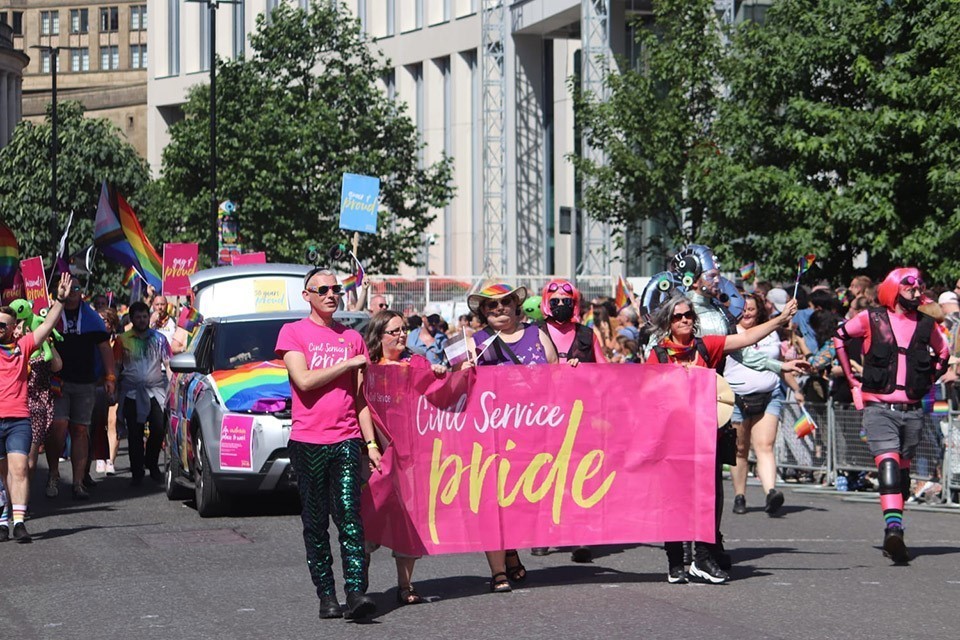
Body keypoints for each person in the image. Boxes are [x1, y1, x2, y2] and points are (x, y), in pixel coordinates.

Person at [648, 293, 798, 584]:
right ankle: (676, 562)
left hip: (707, 437)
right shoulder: (657, 355)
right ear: (668, 322)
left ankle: (702, 558)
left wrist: (779, 320)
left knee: (708, 497)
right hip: (672, 440)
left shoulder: (706, 347)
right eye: (678, 316)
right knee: (673, 500)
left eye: (689, 315)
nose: (685, 320)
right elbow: (643, 394)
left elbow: (746, 340)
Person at [275, 268, 380, 620]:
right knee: (316, 521)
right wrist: (347, 362)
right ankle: (327, 595)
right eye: (323, 289)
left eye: (336, 288)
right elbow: (303, 381)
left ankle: (355, 593)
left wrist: (371, 444)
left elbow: (361, 399)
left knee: (350, 514)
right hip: (308, 442)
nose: (331, 294)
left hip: (347, 439)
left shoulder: (353, 337)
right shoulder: (293, 333)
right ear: (307, 296)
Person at [834, 268, 949, 563]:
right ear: (894, 289)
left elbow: (944, 353)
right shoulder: (872, 318)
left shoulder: (927, 325)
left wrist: (927, 380)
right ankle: (893, 529)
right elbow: (839, 336)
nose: (915, 291)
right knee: (887, 463)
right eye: (909, 286)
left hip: (911, 411)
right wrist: (852, 380)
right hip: (879, 408)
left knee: (902, 475)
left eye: (918, 287)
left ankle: (895, 522)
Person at [457, 283, 558, 592]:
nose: (498, 309)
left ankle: (510, 547)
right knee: (493, 501)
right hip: (492, 436)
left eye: (504, 302)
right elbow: (459, 381)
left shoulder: (537, 334)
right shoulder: (476, 341)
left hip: (534, 433)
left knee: (521, 501)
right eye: (491, 305)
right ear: (483, 312)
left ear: (516, 306)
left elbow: (557, 375)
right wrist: (463, 369)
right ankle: (498, 570)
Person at [362, 310, 444, 605]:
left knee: (409, 522)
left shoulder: (418, 362)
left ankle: (405, 586)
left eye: (403, 330)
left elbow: (437, 396)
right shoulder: (368, 367)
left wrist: (439, 376)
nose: (400, 335)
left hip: (412, 454)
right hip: (376, 454)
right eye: (393, 331)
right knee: (369, 517)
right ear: (378, 336)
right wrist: (371, 445)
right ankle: (359, 583)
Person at [532, 278, 605, 560]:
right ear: (546, 303)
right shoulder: (533, 333)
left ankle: (580, 537)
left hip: (580, 417)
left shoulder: (588, 335)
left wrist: (583, 371)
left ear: (574, 303)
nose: (560, 305)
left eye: (566, 301)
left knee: (579, 475)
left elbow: (606, 372)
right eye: (555, 301)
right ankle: (542, 533)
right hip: (543, 416)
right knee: (543, 474)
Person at [0, 273, 70, 542]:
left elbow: (47, 325)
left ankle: (19, 522)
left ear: (14, 327)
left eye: (4, 325)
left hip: (18, 419)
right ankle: (3, 520)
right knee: (3, 474)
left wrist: (60, 300)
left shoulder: (23, 347)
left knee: (20, 469)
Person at [727, 293, 806, 516]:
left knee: (765, 445)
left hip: (769, 395)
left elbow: (778, 365)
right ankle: (739, 495)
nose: (747, 312)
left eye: (751, 308)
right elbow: (752, 359)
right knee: (739, 450)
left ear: (759, 310)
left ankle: (771, 492)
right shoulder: (729, 332)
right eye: (742, 308)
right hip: (736, 398)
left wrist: (797, 389)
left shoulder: (770, 331)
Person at [47, 276, 116, 500]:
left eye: (77, 287)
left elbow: (105, 347)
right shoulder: (52, 313)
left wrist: (110, 377)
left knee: (80, 431)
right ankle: (53, 472)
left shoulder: (91, 317)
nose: (73, 291)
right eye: (68, 287)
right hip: (58, 383)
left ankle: (77, 483)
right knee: (58, 427)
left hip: (85, 383)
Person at [114, 302, 171, 485]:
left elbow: (168, 364)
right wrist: (112, 387)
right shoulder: (123, 340)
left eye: (144, 316)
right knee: (135, 435)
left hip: (156, 392)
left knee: (159, 429)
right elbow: (116, 367)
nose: (141, 320)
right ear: (131, 319)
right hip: (131, 393)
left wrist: (172, 386)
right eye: (138, 317)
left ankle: (152, 464)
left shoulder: (160, 339)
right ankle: (137, 472)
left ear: (149, 317)